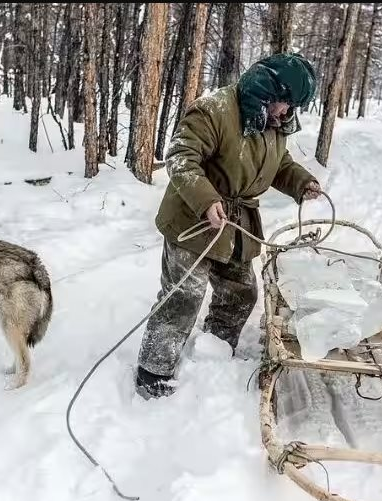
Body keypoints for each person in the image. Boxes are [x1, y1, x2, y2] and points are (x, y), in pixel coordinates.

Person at [135, 52, 322, 399]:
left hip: (236, 224)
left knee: (241, 292)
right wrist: (206, 200)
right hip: (193, 218)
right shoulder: (214, 110)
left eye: (290, 107)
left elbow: (279, 163)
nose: (286, 113)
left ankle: (214, 349)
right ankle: (153, 372)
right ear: (265, 92)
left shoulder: (271, 124)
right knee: (183, 297)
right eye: (284, 104)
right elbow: (181, 157)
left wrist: (300, 181)